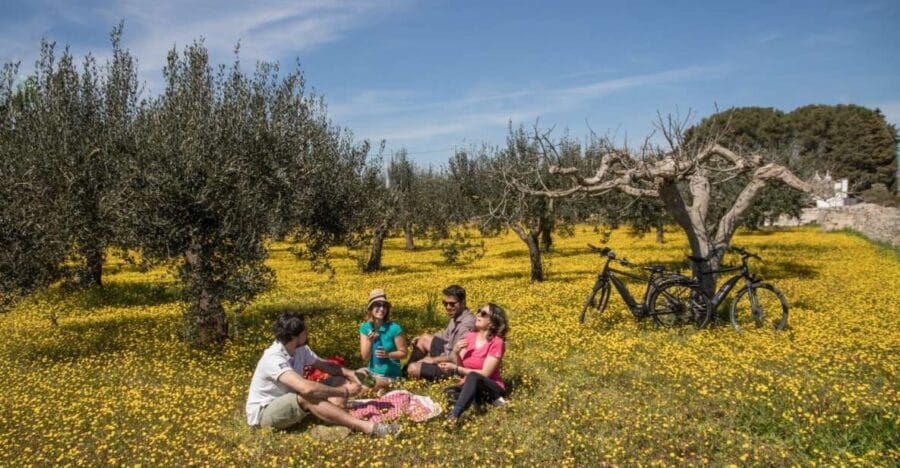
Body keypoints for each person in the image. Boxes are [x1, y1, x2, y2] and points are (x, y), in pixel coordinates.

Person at [245, 310, 401, 437]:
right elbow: (307, 389)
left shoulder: (300, 349)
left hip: (290, 401)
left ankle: (337, 413)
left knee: (337, 379)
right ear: (295, 337)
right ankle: (367, 427)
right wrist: (344, 391)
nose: (308, 332)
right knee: (308, 395)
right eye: (305, 331)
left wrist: (351, 374)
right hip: (264, 414)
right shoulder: (273, 357)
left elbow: (326, 366)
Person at [438, 303, 509, 422]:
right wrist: (455, 352)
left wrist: (455, 368)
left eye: (483, 313)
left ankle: (454, 415)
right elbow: (461, 368)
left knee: (473, 376)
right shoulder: (470, 337)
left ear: (492, 322)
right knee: (448, 392)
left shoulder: (497, 342)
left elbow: (485, 374)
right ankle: (491, 400)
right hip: (469, 384)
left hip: (490, 385)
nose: (478, 314)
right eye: (479, 311)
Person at [405, 285, 475, 380]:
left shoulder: (467, 325)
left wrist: (433, 360)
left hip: (454, 365)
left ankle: (410, 370)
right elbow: (445, 335)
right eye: (445, 303)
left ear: (463, 303)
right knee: (424, 338)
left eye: (452, 304)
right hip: (447, 352)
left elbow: (457, 356)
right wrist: (420, 337)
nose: (448, 307)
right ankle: (405, 372)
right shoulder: (457, 316)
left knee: (413, 369)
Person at [358, 288, 408, 390]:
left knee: (367, 385)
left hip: (391, 375)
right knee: (353, 376)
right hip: (372, 372)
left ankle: (381, 388)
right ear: (371, 308)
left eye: (384, 306)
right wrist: (370, 342)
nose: (382, 309)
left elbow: (404, 353)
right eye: (377, 305)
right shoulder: (365, 328)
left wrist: (388, 354)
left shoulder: (394, 328)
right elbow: (365, 358)